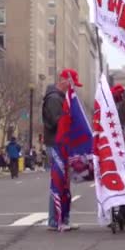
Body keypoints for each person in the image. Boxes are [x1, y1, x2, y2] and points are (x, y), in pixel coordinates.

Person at [42, 68, 83, 231]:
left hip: (61, 145)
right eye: (72, 84)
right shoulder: (54, 99)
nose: (73, 88)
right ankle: (55, 220)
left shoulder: (61, 98)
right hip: (55, 144)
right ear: (64, 81)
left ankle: (63, 219)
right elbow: (56, 122)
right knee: (58, 182)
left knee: (64, 182)